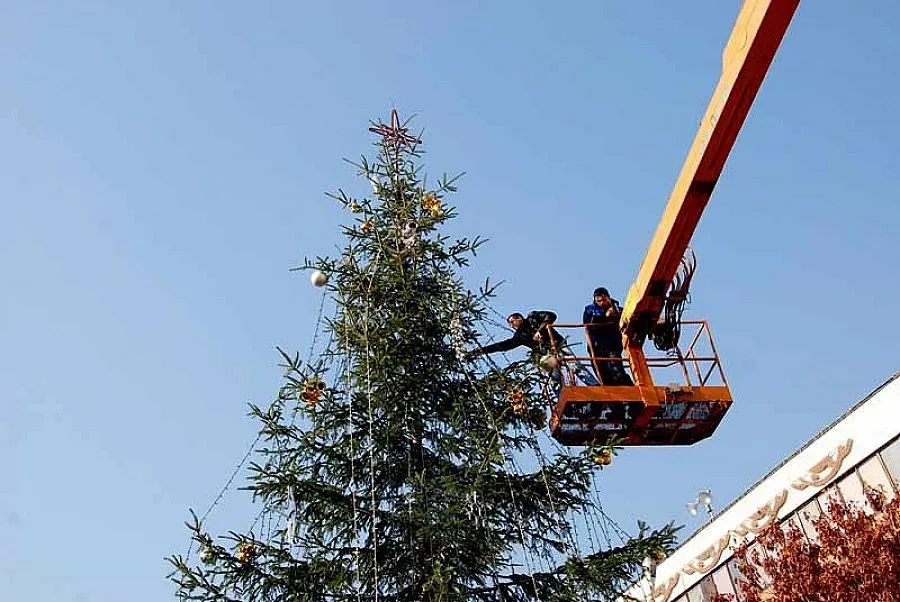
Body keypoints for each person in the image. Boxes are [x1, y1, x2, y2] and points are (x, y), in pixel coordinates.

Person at [467, 311, 599, 387]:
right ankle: (560, 397)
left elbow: (551, 316)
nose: (512, 325)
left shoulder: (532, 318)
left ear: (519, 318)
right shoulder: (520, 336)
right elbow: (504, 345)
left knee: (575, 366)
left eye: (512, 322)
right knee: (554, 377)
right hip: (546, 355)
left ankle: (595, 386)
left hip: (557, 345)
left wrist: (539, 330)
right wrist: (479, 351)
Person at [583, 287, 634, 386]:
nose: (602, 303)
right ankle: (615, 397)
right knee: (603, 375)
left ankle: (629, 391)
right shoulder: (590, 309)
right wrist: (605, 315)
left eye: (604, 300)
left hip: (612, 346)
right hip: (596, 347)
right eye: (599, 301)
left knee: (617, 371)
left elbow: (628, 318)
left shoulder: (618, 309)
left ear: (609, 298)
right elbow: (589, 321)